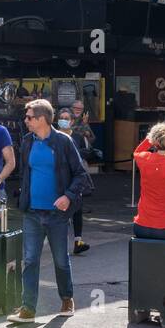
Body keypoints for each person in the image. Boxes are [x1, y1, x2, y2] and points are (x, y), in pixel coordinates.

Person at [7, 98, 93, 324]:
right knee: (30, 260)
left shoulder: (64, 142)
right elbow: (26, 173)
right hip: (32, 212)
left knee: (61, 260)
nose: (25, 121)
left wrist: (68, 196)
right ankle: (28, 308)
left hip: (57, 214)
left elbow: (81, 175)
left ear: (42, 119)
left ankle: (67, 299)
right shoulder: (27, 141)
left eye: (29, 117)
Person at [57, 106, 94, 256]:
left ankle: (78, 240)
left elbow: (89, 148)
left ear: (72, 121)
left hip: (75, 176)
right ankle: (58, 241)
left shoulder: (78, 137)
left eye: (67, 119)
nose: (64, 121)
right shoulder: (53, 136)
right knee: (60, 209)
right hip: (59, 176)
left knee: (77, 208)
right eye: (62, 118)